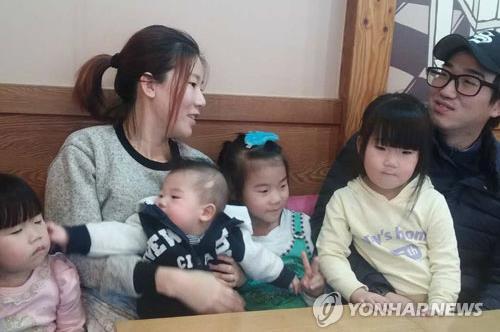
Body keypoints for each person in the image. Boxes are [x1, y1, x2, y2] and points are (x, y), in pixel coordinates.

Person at [44, 25, 244, 330]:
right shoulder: (87, 151)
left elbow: (221, 244)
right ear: (149, 85)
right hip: (110, 320)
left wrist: (235, 272)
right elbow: (75, 258)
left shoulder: (199, 168)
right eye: (192, 84)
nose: (201, 100)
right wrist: (169, 281)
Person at [311, 30, 500, 309]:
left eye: (469, 81)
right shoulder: (382, 141)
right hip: (370, 305)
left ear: (497, 105)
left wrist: (460, 322)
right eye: (443, 73)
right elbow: (324, 231)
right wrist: (378, 291)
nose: (446, 89)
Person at [48, 158, 299, 318]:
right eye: (161, 193)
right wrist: (70, 235)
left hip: (218, 318)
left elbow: (261, 260)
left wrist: (292, 280)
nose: (160, 200)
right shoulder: (152, 225)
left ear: (206, 211)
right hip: (160, 319)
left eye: (174, 196)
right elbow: (114, 235)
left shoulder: (228, 232)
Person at [316, 93, 460, 312]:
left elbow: (446, 264)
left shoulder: (432, 201)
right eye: (381, 148)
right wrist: (357, 292)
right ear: (361, 145)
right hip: (372, 305)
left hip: (427, 309)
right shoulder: (344, 199)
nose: (391, 162)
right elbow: (330, 253)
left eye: (406, 152)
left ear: (419, 156)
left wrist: (439, 307)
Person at [217, 131, 325, 310]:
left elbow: (320, 305)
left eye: (282, 186)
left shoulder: (303, 226)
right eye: (264, 191)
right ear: (235, 191)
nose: (276, 198)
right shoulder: (228, 238)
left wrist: (315, 290)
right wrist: (240, 282)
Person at [0, 173, 85, 331]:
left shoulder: (61, 276)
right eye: (16, 231)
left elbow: (72, 328)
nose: (36, 235)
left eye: (38, 221)